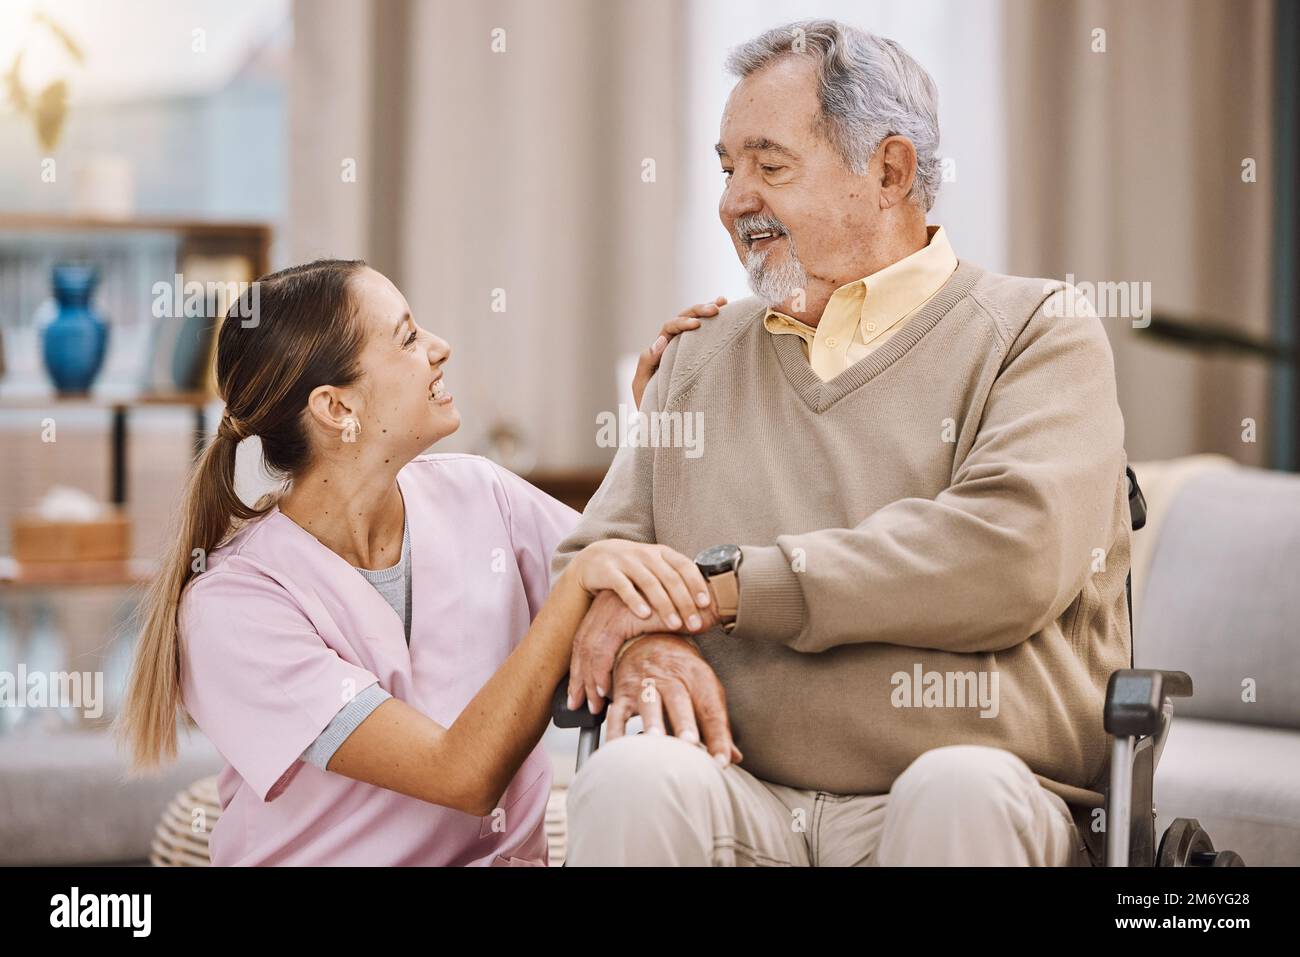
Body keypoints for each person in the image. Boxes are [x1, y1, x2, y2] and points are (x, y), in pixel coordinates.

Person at [553, 20, 1130, 867]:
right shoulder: (699, 354)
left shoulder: (1038, 331)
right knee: (633, 778)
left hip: (962, 791)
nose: (732, 200)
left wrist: (726, 589)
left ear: (889, 172)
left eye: (769, 165)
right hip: (742, 789)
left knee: (958, 789)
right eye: (726, 168)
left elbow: (1009, 555)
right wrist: (640, 640)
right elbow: (596, 561)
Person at [117, 258, 718, 866]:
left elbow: (654, 572)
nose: (439, 347)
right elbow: (461, 776)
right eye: (406, 337)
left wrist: (656, 437)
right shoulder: (232, 606)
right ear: (335, 408)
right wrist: (574, 593)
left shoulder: (483, 497)